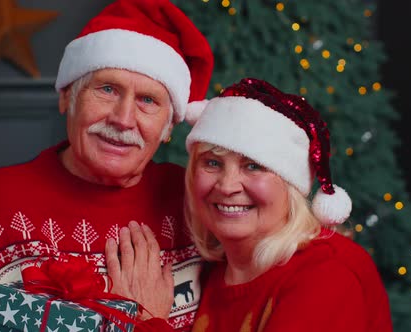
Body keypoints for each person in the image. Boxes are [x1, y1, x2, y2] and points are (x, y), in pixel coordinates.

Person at [0, 0, 213, 330]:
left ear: (169, 126)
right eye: (108, 89)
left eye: (148, 100)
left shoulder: (196, 203)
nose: (124, 119)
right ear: (67, 96)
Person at [107, 78, 393, 331]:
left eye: (253, 166)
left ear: (290, 185)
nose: (227, 185)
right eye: (212, 163)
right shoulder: (214, 271)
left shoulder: (327, 275)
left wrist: (147, 323)